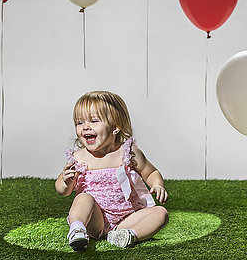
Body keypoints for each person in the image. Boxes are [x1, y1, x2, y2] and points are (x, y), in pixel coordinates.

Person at [55, 91, 168, 251]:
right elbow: (62, 191)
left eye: (94, 121)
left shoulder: (128, 153)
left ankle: (128, 235)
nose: (85, 127)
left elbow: (150, 173)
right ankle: (77, 228)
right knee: (83, 198)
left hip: (127, 218)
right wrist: (65, 182)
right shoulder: (79, 158)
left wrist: (157, 185)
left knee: (160, 213)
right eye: (79, 123)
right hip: (95, 220)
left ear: (115, 127)